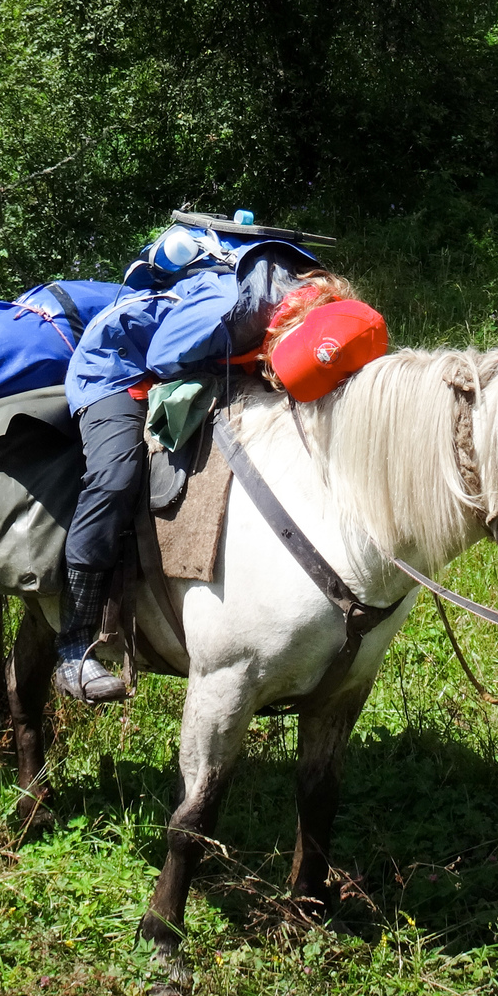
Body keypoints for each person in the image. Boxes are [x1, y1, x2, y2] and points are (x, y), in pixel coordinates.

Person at [55, 264, 361, 703]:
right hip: (120, 367)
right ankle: (75, 642)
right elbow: (163, 356)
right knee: (115, 477)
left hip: (201, 357)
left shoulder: (316, 312)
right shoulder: (227, 313)